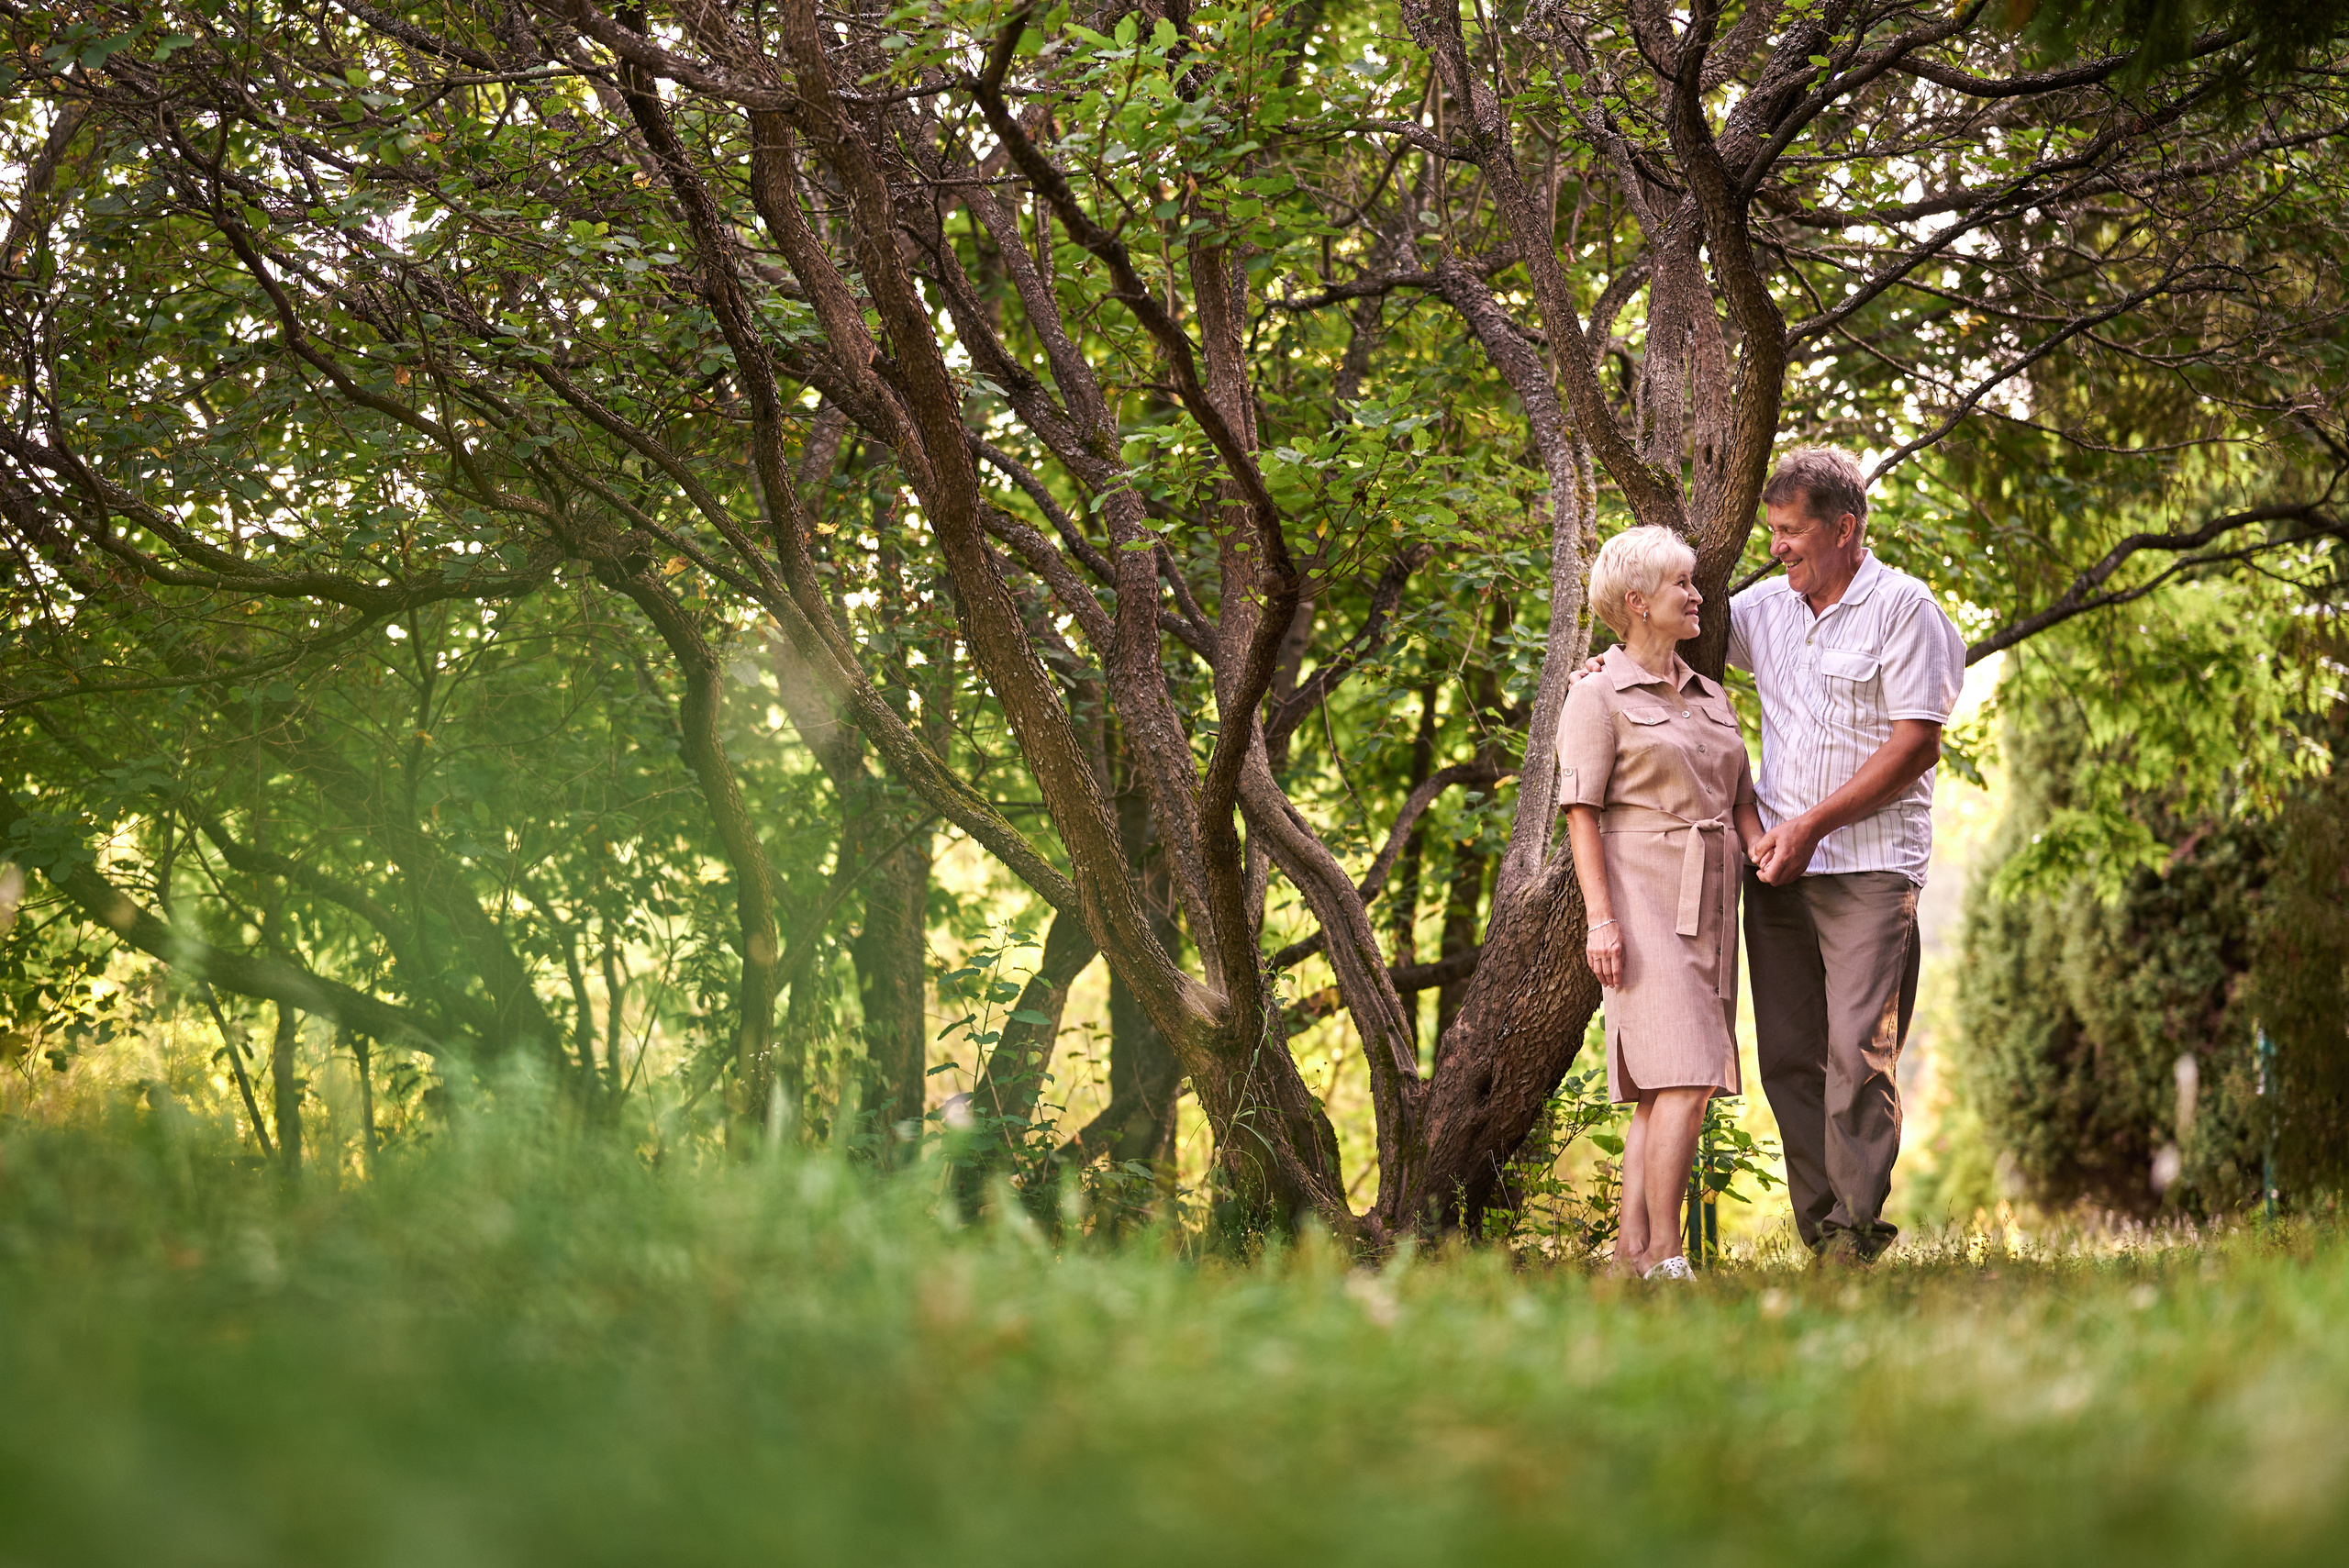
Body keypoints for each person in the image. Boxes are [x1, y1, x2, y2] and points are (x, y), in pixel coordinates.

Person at [1733, 448, 1965, 1263]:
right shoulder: (1762, 608)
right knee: (1790, 1057)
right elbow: (1670, 635)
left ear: (1845, 528)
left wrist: (1812, 826)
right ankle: (1822, 1231)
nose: (1777, 547)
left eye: (1792, 532)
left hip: (1867, 868)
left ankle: (1853, 1236)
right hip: (1777, 872)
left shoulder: (1906, 610)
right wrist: (1609, 662)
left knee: (1856, 1053)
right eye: (1772, 532)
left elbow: (1916, 746)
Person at [1556, 525, 1766, 1281]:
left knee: (1667, 1086)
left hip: (1714, 899)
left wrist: (1764, 846)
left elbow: (1739, 799)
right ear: (1638, 602)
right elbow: (1580, 813)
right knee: (1682, 1074)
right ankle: (1669, 1256)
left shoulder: (1711, 694)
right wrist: (1600, 919)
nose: (1698, 594)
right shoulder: (1595, 693)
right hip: (1642, 897)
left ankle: (1630, 1256)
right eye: (1683, 584)